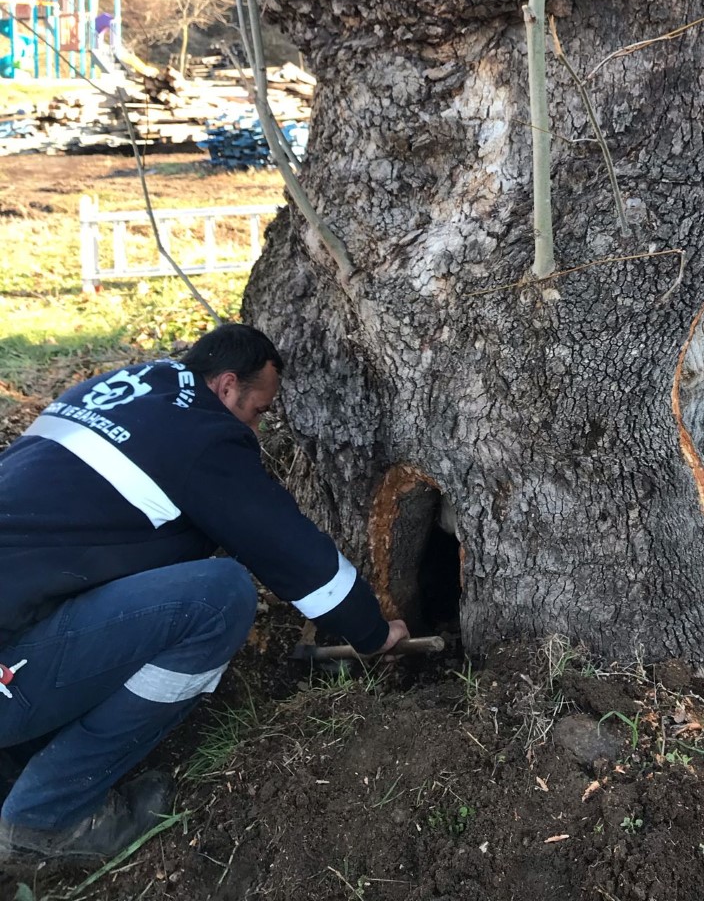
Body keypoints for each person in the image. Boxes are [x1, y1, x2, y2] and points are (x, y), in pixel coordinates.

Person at [0, 323, 407, 863]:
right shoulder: (200, 433)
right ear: (226, 387)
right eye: (259, 411)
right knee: (217, 599)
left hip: (19, 619)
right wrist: (372, 632)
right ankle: (46, 818)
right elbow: (285, 546)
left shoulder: (120, 389)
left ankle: (20, 763)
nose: (257, 430)